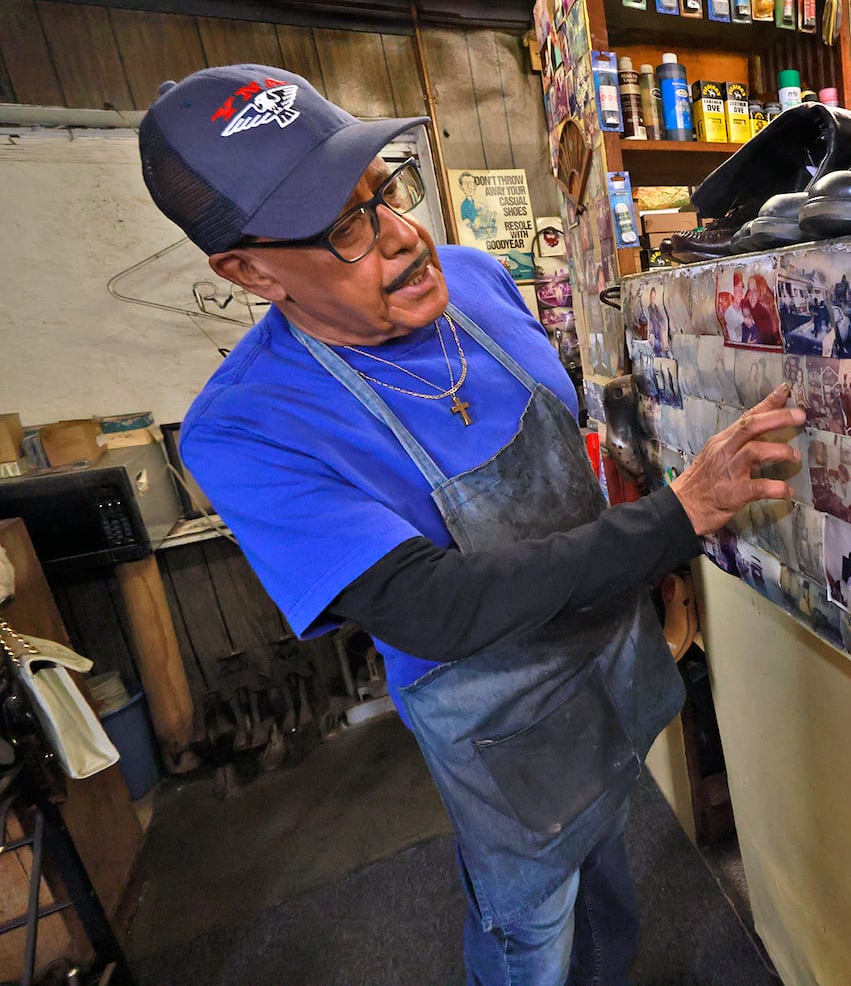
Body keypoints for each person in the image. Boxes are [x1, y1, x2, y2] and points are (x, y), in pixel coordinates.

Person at [139, 65, 803, 986]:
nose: (406, 238)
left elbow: (566, 456)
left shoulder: (480, 279)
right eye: (344, 227)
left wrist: (654, 551)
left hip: (609, 664)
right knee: (530, 929)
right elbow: (433, 608)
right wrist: (676, 517)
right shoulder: (247, 426)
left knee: (608, 869)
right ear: (248, 270)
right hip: (504, 731)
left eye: (387, 187)